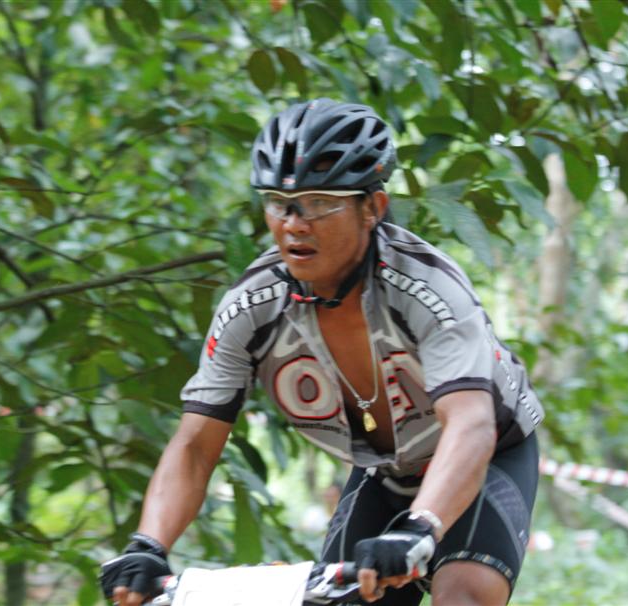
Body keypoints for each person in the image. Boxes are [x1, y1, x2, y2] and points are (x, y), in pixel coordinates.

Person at [99, 99, 544, 605]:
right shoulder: (251, 307)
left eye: (319, 203)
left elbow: (471, 424)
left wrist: (421, 525)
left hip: (486, 455)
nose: (294, 224)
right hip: (383, 469)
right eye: (279, 203)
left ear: (372, 207)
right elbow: (197, 444)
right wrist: (148, 545)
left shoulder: (428, 289)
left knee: (463, 596)